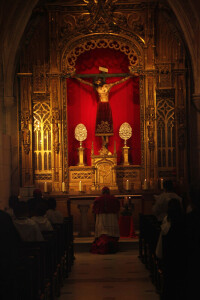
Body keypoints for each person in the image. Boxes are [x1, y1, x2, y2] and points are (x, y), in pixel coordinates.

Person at [75, 75, 131, 139]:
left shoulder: (108, 86)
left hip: (106, 105)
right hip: (101, 106)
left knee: (108, 121)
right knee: (100, 122)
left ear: (100, 80)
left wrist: (129, 76)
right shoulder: (96, 88)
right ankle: (102, 138)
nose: (97, 83)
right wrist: (76, 77)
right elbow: (85, 83)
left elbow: (119, 82)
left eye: (98, 81)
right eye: (96, 82)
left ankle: (107, 138)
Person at [91, 186, 120, 254]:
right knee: (111, 230)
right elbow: (117, 208)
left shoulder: (98, 199)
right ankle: (112, 240)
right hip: (111, 217)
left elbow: (94, 210)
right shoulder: (114, 199)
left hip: (102, 218)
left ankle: (101, 239)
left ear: (102, 192)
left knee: (102, 229)